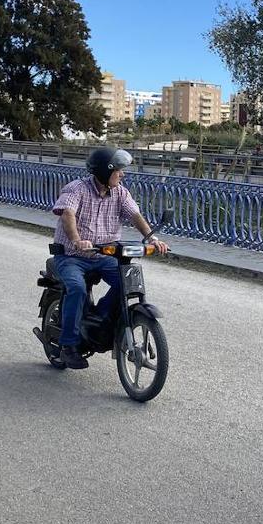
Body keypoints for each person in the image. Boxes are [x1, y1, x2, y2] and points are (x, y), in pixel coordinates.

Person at [50, 146, 168, 369]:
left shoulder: (120, 193)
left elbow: (135, 215)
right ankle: (68, 346)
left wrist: (152, 239)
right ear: (105, 172)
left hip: (104, 256)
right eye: (118, 170)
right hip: (72, 256)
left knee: (128, 283)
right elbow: (68, 214)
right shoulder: (76, 189)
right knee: (76, 288)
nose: (122, 174)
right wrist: (77, 240)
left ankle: (99, 319)